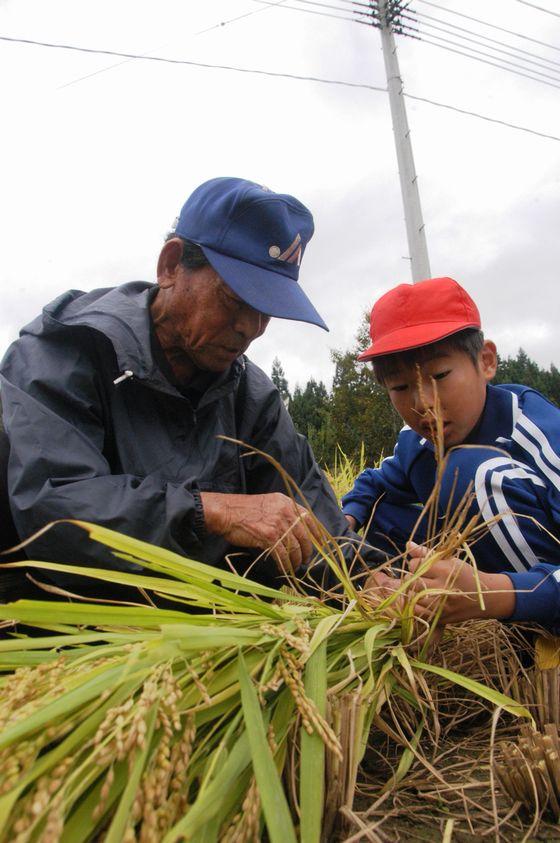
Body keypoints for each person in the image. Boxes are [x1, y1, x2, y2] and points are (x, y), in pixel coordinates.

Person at [0, 177, 373, 597]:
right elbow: (55, 509)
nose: (250, 329)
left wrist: (368, 580)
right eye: (235, 300)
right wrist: (209, 511)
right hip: (50, 613)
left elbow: (310, 511)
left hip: (188, 621)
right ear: (171, 266)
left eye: (267, 311)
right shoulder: (62, 355)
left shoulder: (250, 396)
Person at [343, 276, 560, 629]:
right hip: (476, 578)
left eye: (440, 376)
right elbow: (375, 484)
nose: (423, 404)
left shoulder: (542, 434)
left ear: (486, 361)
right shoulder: (417, 442)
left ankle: (529, 641)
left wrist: (492, 592)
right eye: (400, 387)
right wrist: (343, 524)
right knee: (375, 516)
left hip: (535, 596)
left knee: (472, 473)